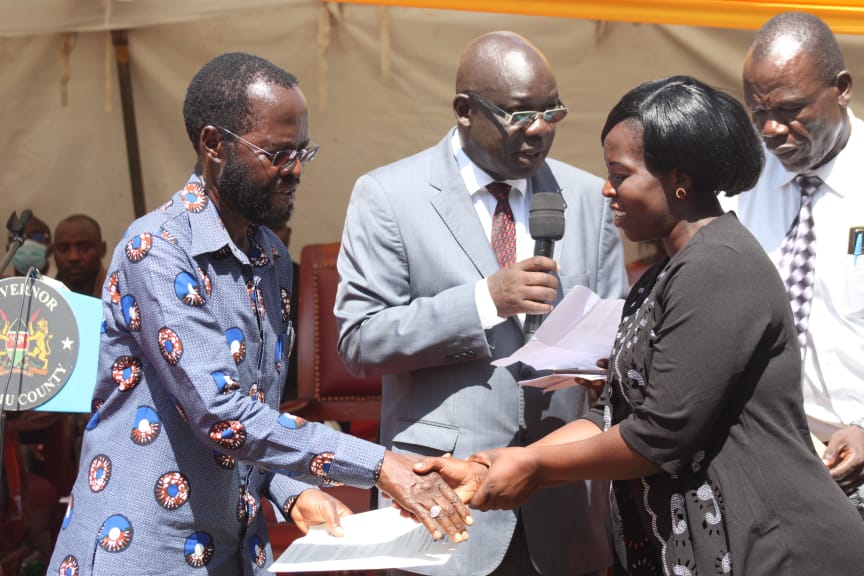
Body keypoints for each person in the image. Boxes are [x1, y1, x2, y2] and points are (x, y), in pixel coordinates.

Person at [47, 52, 471, 576]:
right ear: (213, 145)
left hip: (236, 547)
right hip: (143, 548)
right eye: (278, 153)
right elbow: (220, 413)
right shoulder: (156, 249)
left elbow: (256, 408)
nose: (295, 169)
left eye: (303, 151)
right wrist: (381, 466)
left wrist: (291, 491)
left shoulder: (269, 255)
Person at [420, 76, 864, 575]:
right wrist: (494, 464)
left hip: (773, 547)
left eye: (620, 174)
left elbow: (660, 434)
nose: (606, 189)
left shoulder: (720, 266)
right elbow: (614, 414)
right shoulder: (664, 274)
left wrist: (535, 468)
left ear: (679, 180)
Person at [335, 31, 627, 576]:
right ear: (465, 110)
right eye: (520, 114)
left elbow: (616, 333)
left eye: (552, 112)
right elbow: (361, 340)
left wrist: (604, 368)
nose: (540, 129)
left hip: (563, 506)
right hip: (444, 501)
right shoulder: (389, 197)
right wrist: (482, 302)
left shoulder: (589, 197)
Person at [720, 11, 864, 518]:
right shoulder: (738, 186)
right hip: (761, 465)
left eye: (789, 109)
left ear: (842, 89)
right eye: (758, 112)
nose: (772, 130)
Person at [53, 214, 108, 298]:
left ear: (102, 249)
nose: (73, 257)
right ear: (53, 252)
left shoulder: (122, 295)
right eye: (64, 249)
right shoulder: (40, 296)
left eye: (84, 248)